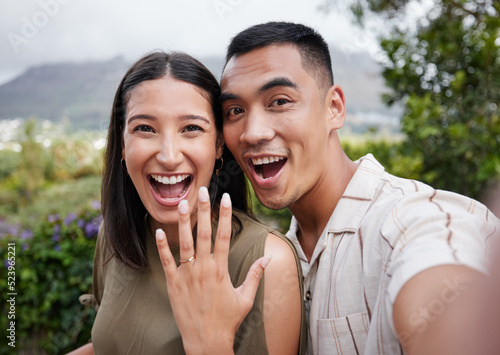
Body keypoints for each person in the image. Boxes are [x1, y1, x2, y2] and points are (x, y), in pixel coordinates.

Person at [214, 22, 499, 354]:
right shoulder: (271, 257)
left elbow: (442, 285)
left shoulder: (412, 218)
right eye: (235, 111)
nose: (253, 133)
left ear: (334, 107)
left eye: (279, 102)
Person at [69, 51, 306, 354]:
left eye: (191, 128)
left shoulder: (266, 262)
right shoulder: (116, 236)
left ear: (219, 144)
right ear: (123, 146)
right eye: (145, 128)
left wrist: (209, 342)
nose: (169, 156)